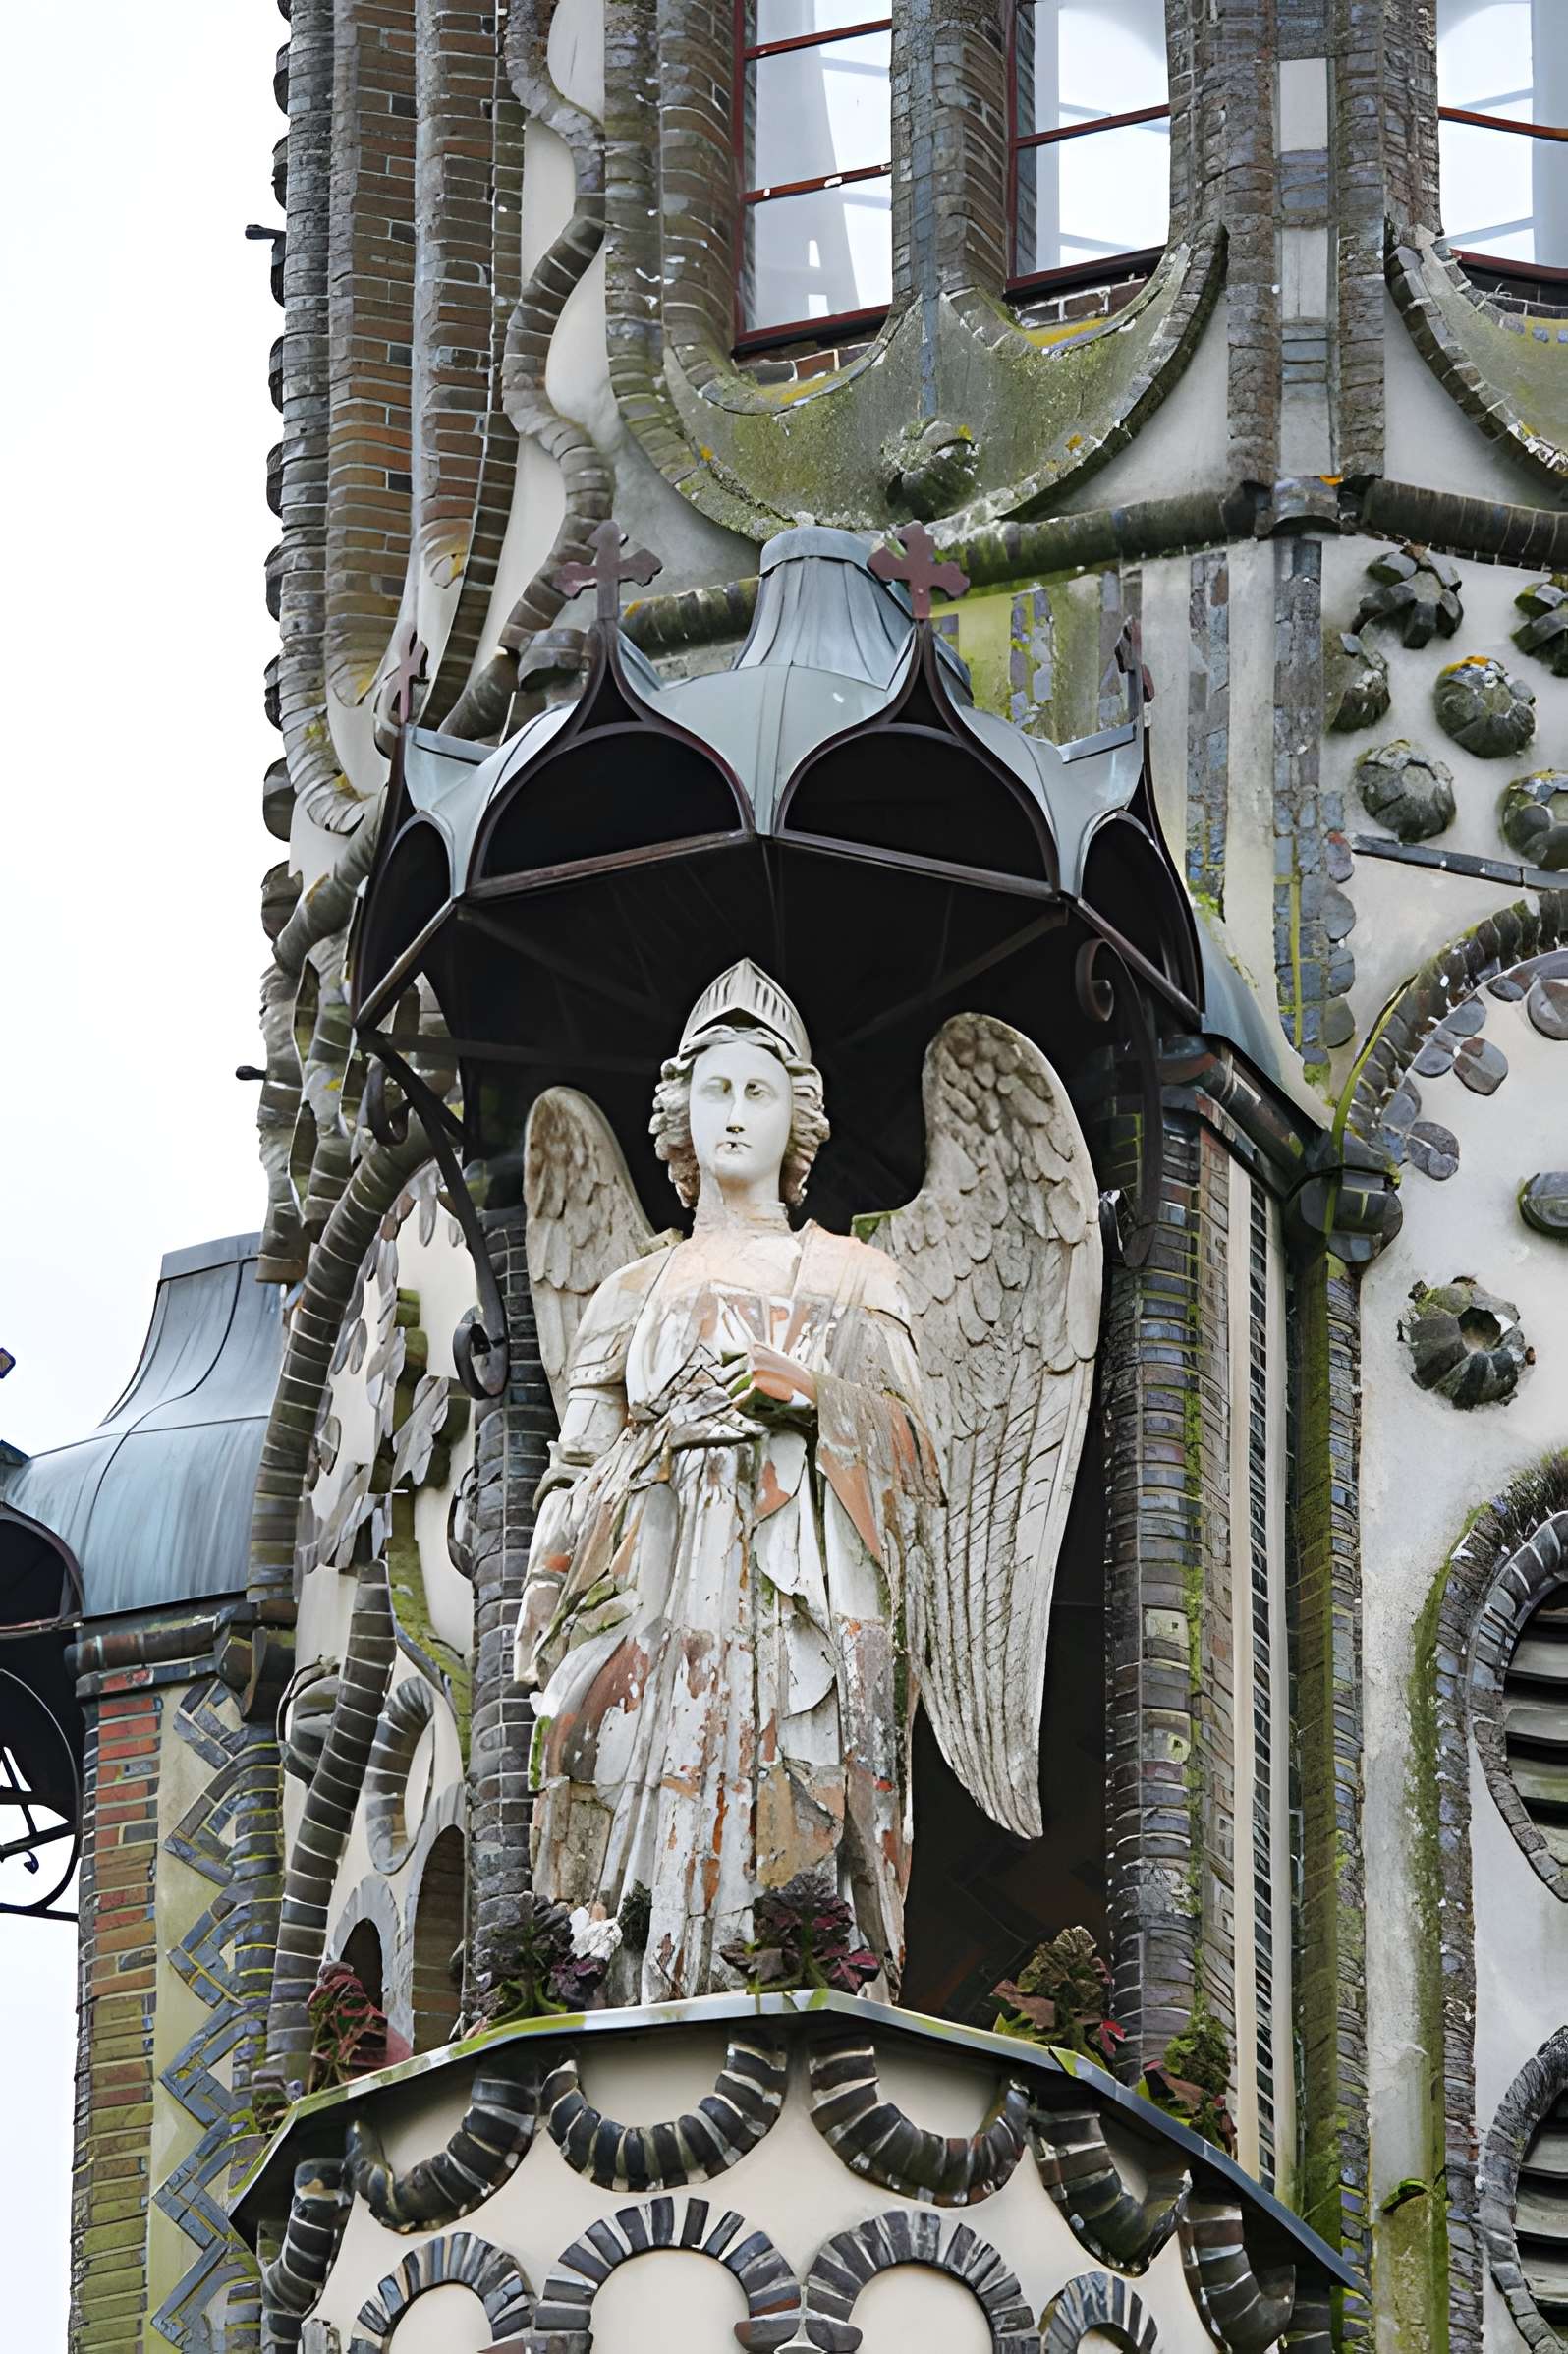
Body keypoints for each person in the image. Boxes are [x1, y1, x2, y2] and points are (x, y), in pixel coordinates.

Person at [514, 962, 939, 2002]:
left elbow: (920, 1459)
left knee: (796, 1788)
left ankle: (797, 1972)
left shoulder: (856, 1278)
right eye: (716, 1089)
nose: (736, 1115)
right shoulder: (628, 1292)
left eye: (759, 1090)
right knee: (619, 1775)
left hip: (802, 1598)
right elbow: (570, 1476)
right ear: (680, 1111)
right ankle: (636, 1974)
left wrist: (810, 1395)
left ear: (798, 1114)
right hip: (656, 1595)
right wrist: (658, 1450)